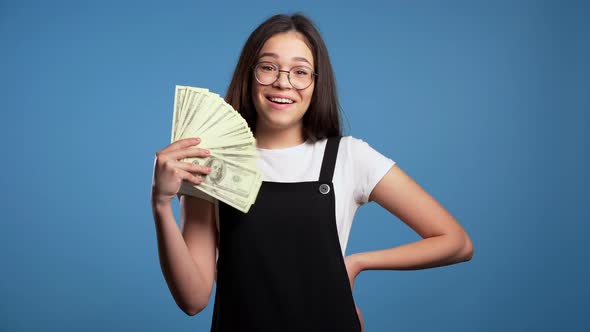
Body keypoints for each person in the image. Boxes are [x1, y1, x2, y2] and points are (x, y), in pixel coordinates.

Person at [151, 13, 473, 332]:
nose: (283, 82)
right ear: (249, 75)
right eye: (268, 67)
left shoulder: (348, 157)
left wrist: (357, 263)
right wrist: (162, 204)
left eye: (300, 71)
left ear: (316, 82)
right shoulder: (210, 161)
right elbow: (193, 299)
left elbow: (456, 242)